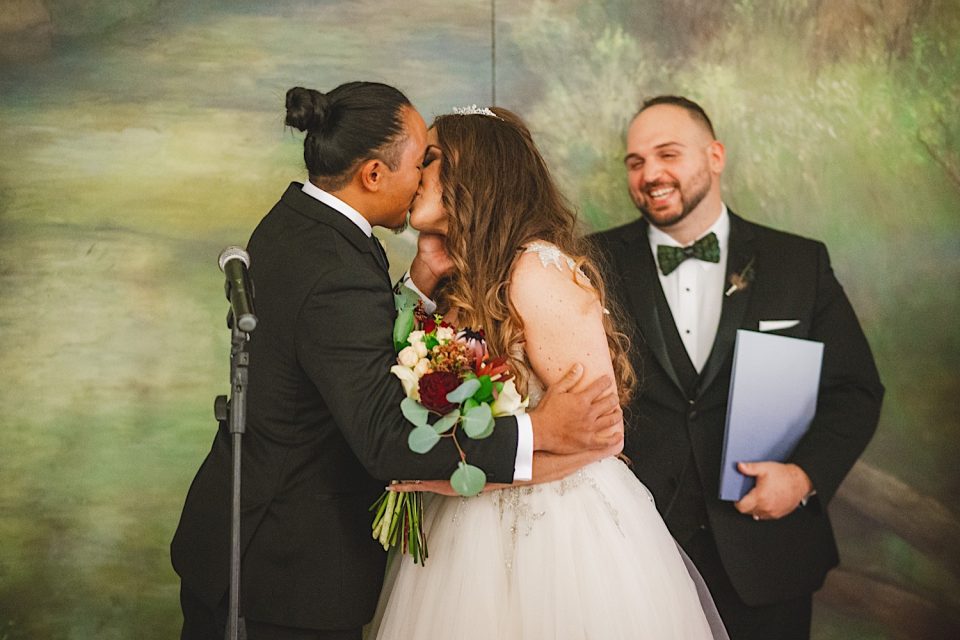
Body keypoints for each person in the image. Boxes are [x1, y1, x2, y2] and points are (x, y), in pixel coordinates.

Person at [170, 82, 624, 640]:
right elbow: (385, 435)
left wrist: (418, 284)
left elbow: (356, 349)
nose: (421, 179)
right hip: (280, 568)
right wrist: (540, 429)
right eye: (421, 160)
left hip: (535, 542)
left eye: (434, 162)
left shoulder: (302, 227)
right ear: (373, 175)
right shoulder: (337, 265)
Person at [367, 106, 728, 640]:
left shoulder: (537, 272)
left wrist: (459, 480)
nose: (416, 172)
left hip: (560, 539)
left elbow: (606, 437)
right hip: (458, 536)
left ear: (478, 173)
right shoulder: (452, 280)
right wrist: (424, 272)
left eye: (432, 159)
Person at [590, 96, 884, 640]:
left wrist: (802, 478)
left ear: (715, 156)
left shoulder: (799, 263)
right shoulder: (589, 263)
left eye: (667, 154)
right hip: (637, 553)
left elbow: (855, 391)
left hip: (769, 556)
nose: (650, 173)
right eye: (635, 162)